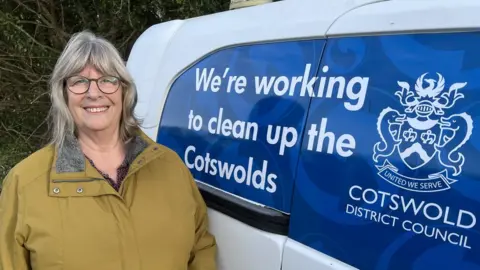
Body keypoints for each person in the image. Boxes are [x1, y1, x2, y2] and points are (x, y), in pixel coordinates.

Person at [0, 30, 217, 270]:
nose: (94, 93)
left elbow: (201, 246)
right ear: (63, 93)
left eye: (107, 79)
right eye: (79, 82)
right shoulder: (25, 183)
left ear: (124, 90)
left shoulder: (170, 167)